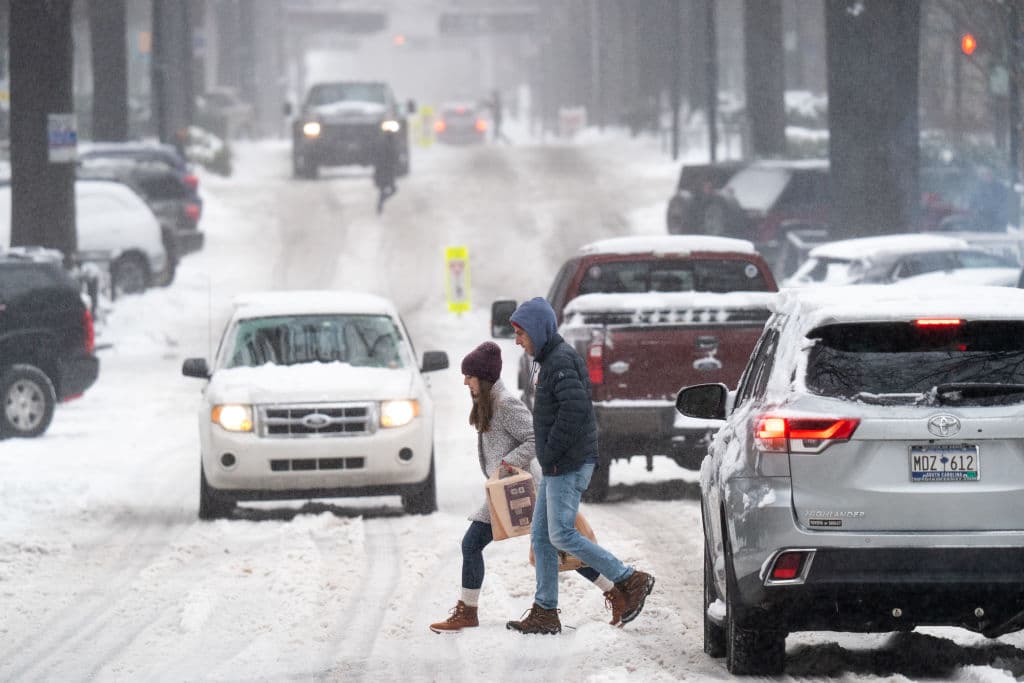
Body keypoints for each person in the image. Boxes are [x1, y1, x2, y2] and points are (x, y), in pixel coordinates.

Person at [429, 341, 626, 633]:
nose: (465, 382)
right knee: (553, 545)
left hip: (524, 489)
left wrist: (506, 464)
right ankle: (614, 591)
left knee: (488, 544)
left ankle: (468, 612)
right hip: (506, 489)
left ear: (483, 377)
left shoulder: (505, 404)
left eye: (469, 376)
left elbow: (535, 438)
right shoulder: (490, 403)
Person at [505, 298, 655, 635]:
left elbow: (574, 411)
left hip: (567, 463)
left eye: (520, 333)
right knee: (542, 537)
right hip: (559, 463)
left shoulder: (559, 362)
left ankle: (629, 578)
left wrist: (551, 452)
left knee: (561, 534)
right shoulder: (551, 360)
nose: (517, 341)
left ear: (537, 331)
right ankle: (545, 611)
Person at [373, 131, 398, 214]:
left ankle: (380, 204)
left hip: (384, 171)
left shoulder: (383, 144)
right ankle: (380, 204)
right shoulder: (388, 145)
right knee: (390, 189)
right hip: (386, 171)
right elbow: (392, 158)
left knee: (385, 190)